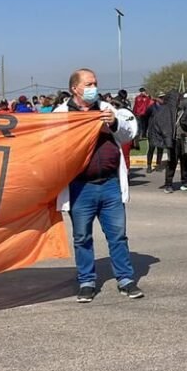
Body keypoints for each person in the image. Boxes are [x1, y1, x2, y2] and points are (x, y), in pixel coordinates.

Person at [54, 68, 142, 302]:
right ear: (75, 88)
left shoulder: (106, 109)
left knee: (118, 235)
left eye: (95, 83)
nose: (94, 87)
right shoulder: (61, 114)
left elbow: (129, 133)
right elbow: (51, 146)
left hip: (110, 183)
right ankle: (86, 281)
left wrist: (114, 123)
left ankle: (125, 279)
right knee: (82, 237)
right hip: (80, 187)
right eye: (89, 84)